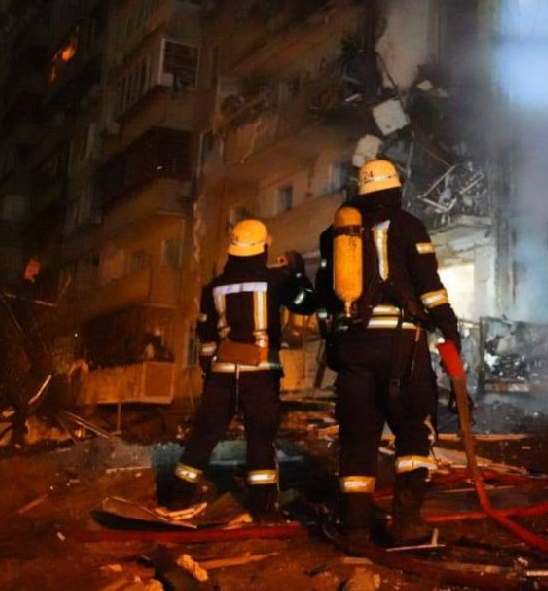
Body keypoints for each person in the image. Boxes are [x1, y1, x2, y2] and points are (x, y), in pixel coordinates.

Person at [315, 159, 462, 547]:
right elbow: (429, 287)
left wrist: (334, 340)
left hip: (353, 347)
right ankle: (406, 522)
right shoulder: (408, 225)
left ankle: (355, 528)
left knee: (358, 437)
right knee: (413, 430)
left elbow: (324, 297)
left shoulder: (334, 235)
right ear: (396, 189)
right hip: (401, 344)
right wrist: (448, 327)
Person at [158, 219, 312, 520]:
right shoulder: (275, 280)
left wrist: (210, 372)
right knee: (260, 439)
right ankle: (263, 509)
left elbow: (206, 338)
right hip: (261, 373)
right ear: (262, 248)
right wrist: (297, 272)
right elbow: (305, 303)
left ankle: (178, 499)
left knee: (204, 435)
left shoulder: (213, 287)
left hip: (222, 374)